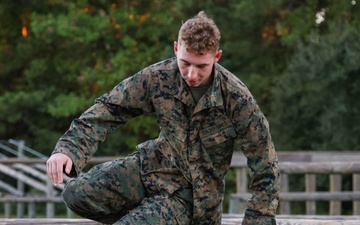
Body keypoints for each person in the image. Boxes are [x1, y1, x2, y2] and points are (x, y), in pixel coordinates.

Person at [46, 11, 280, 225]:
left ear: (217, 57)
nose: (191, 74)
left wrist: (257, 220)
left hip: (190, 196)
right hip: (151, 169)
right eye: (185, 63)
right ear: (176, 48)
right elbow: (110, 108)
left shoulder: (236, 98)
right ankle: (146, 215)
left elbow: (265, 165)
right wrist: (68, 148)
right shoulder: (159, 77)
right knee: (75, 194)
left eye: (201, 66)